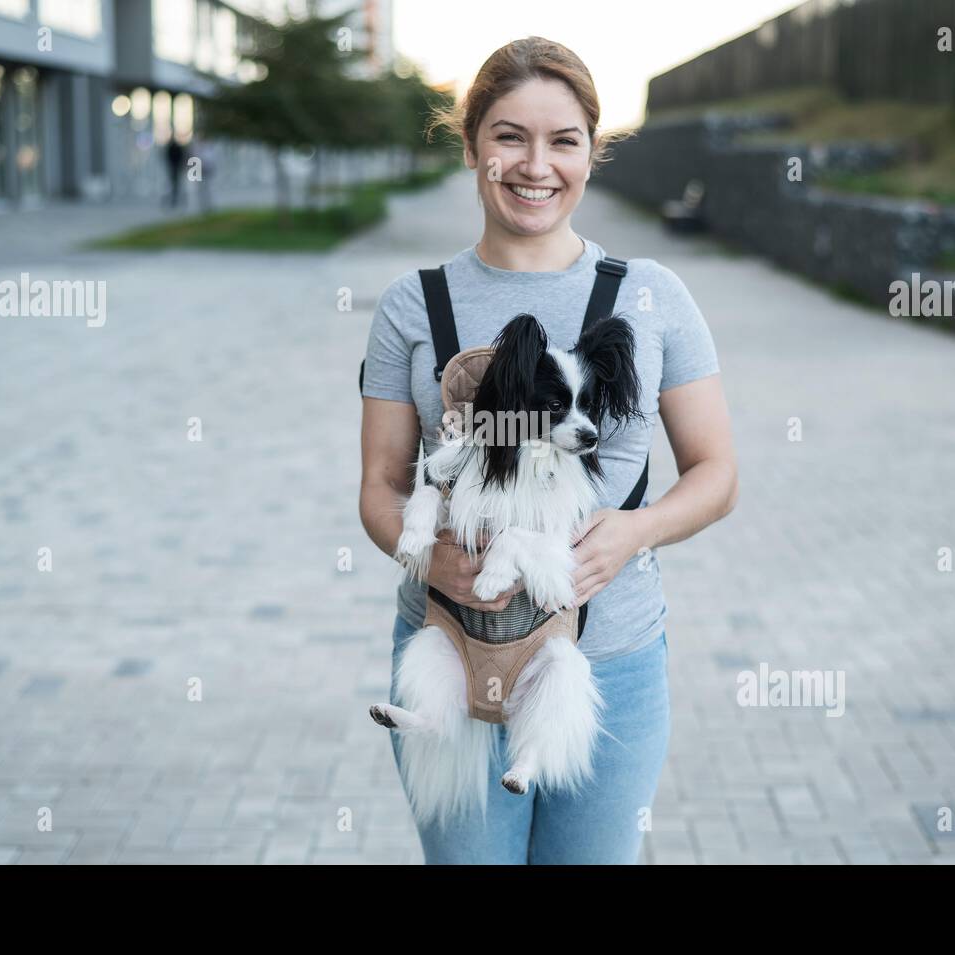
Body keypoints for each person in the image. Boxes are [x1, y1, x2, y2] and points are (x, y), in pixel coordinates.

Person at [358, 36, 738, 864]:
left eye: (564, 140)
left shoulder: (652, 296)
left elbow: (716, 474)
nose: (537, 165)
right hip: (453, 649)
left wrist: (633, 533)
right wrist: (430, 561)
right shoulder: (411, 307)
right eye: (509, 136)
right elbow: (382, 488)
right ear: (470, 146)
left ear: (591, 153)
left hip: (611, 659)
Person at [164, 137, 185, 208]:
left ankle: (175, 197)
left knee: (175, 183)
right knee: (175, 183)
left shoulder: (172, 148)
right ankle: (174, 197)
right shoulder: (175, 148)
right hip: (175, 168)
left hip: (174, 168)